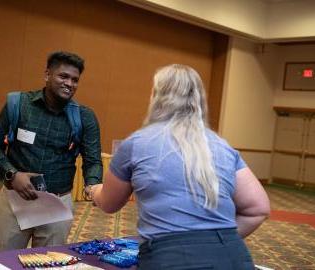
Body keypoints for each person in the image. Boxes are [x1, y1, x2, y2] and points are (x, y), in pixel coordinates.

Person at [91, 64, 270, 269]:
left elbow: (109, 203)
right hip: (232, 255)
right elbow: (258, 209)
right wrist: (208, 242)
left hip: (170, 257)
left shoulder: (137, 143)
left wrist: (93, 190)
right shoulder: (222, 145)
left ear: (156, 98)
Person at [0, 51, 103, 251]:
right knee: (4, 261)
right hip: (15, 200)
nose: (70, 83)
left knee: (49, 264)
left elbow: (92, 160)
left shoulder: (85, 117)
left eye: (75, 80)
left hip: (57, 206)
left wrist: (92, 185)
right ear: (47, 75)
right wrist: (12, 174)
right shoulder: (18, 104)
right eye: (63, 76)